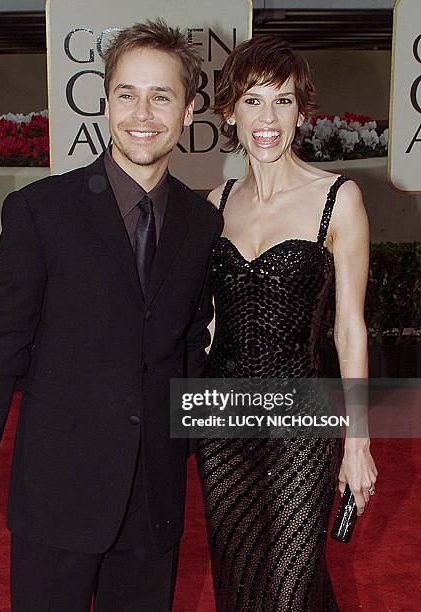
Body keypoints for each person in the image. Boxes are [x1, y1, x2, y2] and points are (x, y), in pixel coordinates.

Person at [0, 20, 223, 611]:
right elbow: (3, 342)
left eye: (161, 95)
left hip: (154, 496)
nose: (141, 113)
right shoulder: (40, 211)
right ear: (104, 101)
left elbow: (189, 350)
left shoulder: (203, 226)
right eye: (126, 93)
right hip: (58, 490)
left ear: (189, 109)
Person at [196, 35, 378, 611]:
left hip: (303, 420)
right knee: (240, 582)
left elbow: (350, 327)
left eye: (283, 100)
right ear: (230, 111)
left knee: (291, 589)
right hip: (220, 421)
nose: (267, 118)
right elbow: (206, 323)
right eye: (253, 100)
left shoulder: (337, 198)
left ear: (301, 111)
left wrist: (359, 440)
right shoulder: (214, 203)